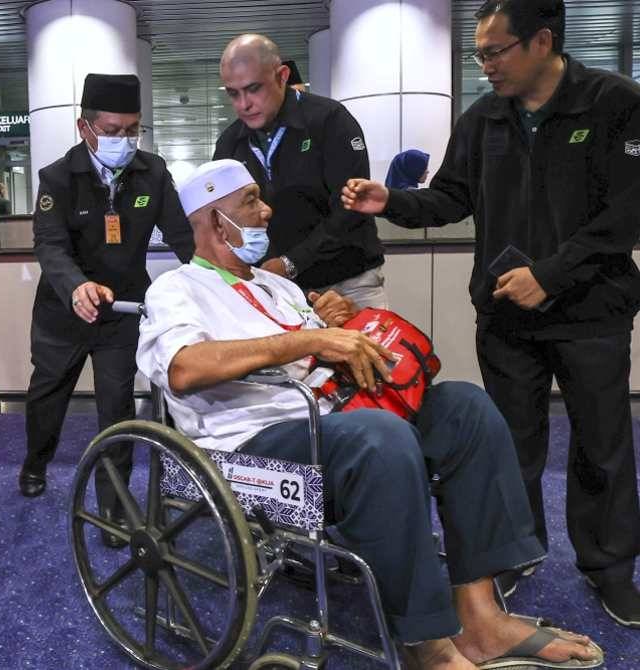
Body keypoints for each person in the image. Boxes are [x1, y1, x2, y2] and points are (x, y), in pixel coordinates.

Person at [137, 159, 602, 670]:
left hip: (333, 421)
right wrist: (311, 336)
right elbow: (182, 367)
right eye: (249, 201)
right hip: (249, 450)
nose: (266, 210)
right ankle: (428, 644)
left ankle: (481, 616)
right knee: (380, 438)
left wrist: (332, 326)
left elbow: (312, 354)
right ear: (211, 220)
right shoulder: (176, 288)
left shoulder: (280, 289)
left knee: (465, 407)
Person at [341, 0, 639, 628]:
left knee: (602, 447)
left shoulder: (615, 102)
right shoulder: (482, 121)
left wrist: (550, 276)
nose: (485, 67)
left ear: (542, 41)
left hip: (591, 313)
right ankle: (515, 553)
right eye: (479, 54)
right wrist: (390, 198)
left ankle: (610, 569)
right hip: (506, 318)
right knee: (510, 445)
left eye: (495, 52)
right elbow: (451, 197)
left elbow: (626, 215)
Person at [19, 73, 194, 527]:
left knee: (115, 408)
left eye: (132, 129)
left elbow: (182, 235)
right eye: (113, 131)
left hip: (121, 311)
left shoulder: (152, 173)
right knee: (47, 396)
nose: (124, 140)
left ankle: (114, 506)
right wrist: (76, 285)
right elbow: (49, 244)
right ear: (85, 128)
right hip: (63, 310)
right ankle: (36, 462)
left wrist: (217, 279)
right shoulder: (57, 177)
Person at [214, 34, 387, 308]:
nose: (243, 104)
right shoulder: (230, 142)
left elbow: (350, 209)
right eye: (233, 93)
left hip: (348, 285)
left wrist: (290, 263)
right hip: (276, 290)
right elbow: (221, 216)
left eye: (254, 88)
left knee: (361, 352)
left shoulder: (329, 120)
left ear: (282, 76)